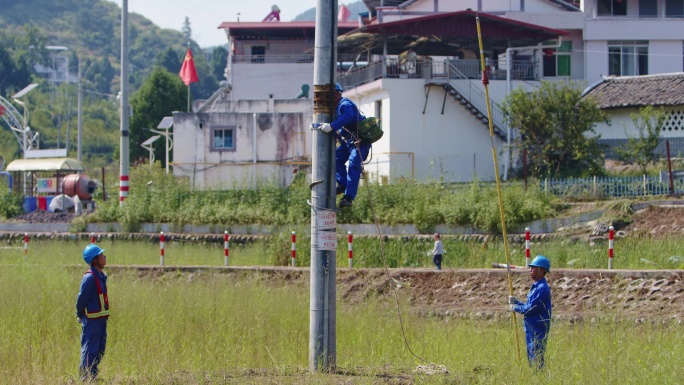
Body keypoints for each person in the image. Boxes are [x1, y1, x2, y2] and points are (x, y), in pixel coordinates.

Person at [312, 83, 370, 208]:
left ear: (337, 93)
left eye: (331, 95)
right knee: (336, 158)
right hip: (349, 142)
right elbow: (344, 128)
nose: (330, 99)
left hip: (360, 142)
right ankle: (342, 184)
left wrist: (332, 126)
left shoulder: (345, 104)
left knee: (354, 162)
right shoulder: (337, 109)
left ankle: (348, 197)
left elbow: (348, 116)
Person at [508, 255, 552, 370]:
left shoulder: (542, 288)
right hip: (531, 329)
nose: (530, 270)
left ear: (541, 271)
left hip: (537, 331)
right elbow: (529, 305)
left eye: (533, 268)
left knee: (536, 361)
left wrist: (515, 308)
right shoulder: (536, 287)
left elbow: (530, 309)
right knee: (532, 361)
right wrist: (516, 302)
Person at [76, 244, 110, 381]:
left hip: (101, 320)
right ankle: (85, 378)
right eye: (102, 255)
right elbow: (81, 300)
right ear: (95, 260)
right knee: (90, 349)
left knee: (100, 349)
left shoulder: (101, 276)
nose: (105, 257)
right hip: (91, 321)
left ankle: (93, 376)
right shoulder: (89, 278)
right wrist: (79, 314)